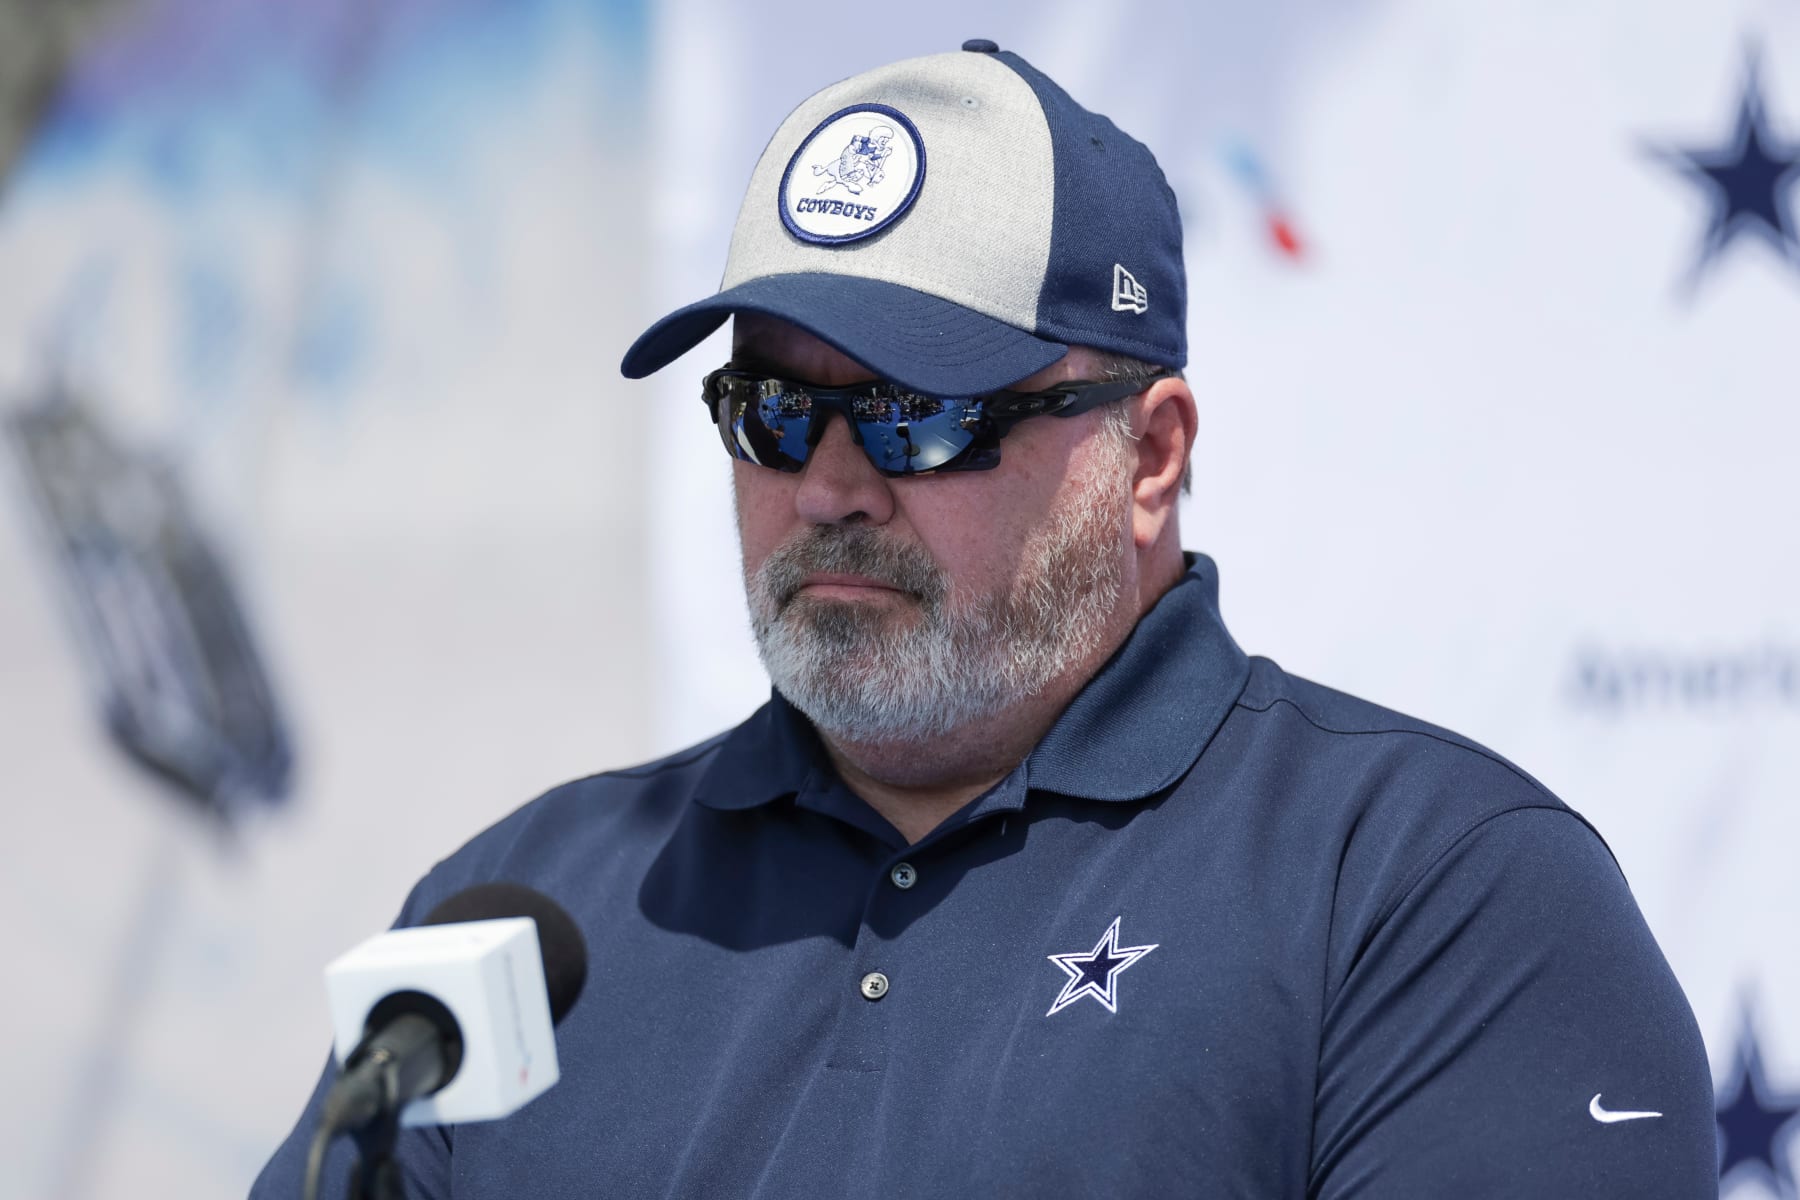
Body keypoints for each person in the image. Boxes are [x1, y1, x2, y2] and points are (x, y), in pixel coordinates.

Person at [255, 40, 1717, 1198]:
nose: (829, 487)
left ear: (1151, 454)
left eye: (919, 415)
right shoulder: (522, 910)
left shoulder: (1429, 894)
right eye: (771, 411)